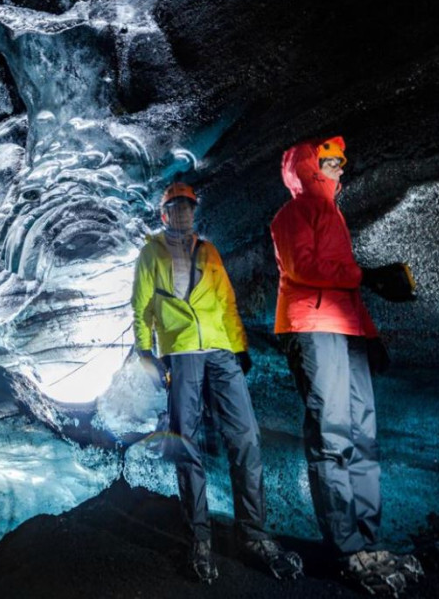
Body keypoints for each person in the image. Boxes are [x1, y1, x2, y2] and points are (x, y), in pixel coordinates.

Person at [269, 136, 423, 595]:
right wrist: (367, 275)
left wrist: (371, 337)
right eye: (332, 160)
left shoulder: (334, 214)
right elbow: (303, 268)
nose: (342, 167)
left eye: (341, 161)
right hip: (313, 327)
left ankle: (367, 540)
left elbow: (347, 288)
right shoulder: (293, 213)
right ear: (312, 165)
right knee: (333, 433)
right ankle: (347, 546)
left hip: (347, 329)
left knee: (363, 434)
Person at [131, 181, 303, 584]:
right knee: (186, 444)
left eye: (187, 206)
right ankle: (199, 540)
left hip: (221, 353)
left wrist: (239, 344)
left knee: (245, 438)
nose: (182, 213)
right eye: (175, 207)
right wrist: (145, 351)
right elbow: (140, 307)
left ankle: (254, 535)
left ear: (194, 211)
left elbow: (226, 301)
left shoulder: (209, 252)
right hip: (183, 353)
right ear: (164, 214)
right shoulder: (149, 254)